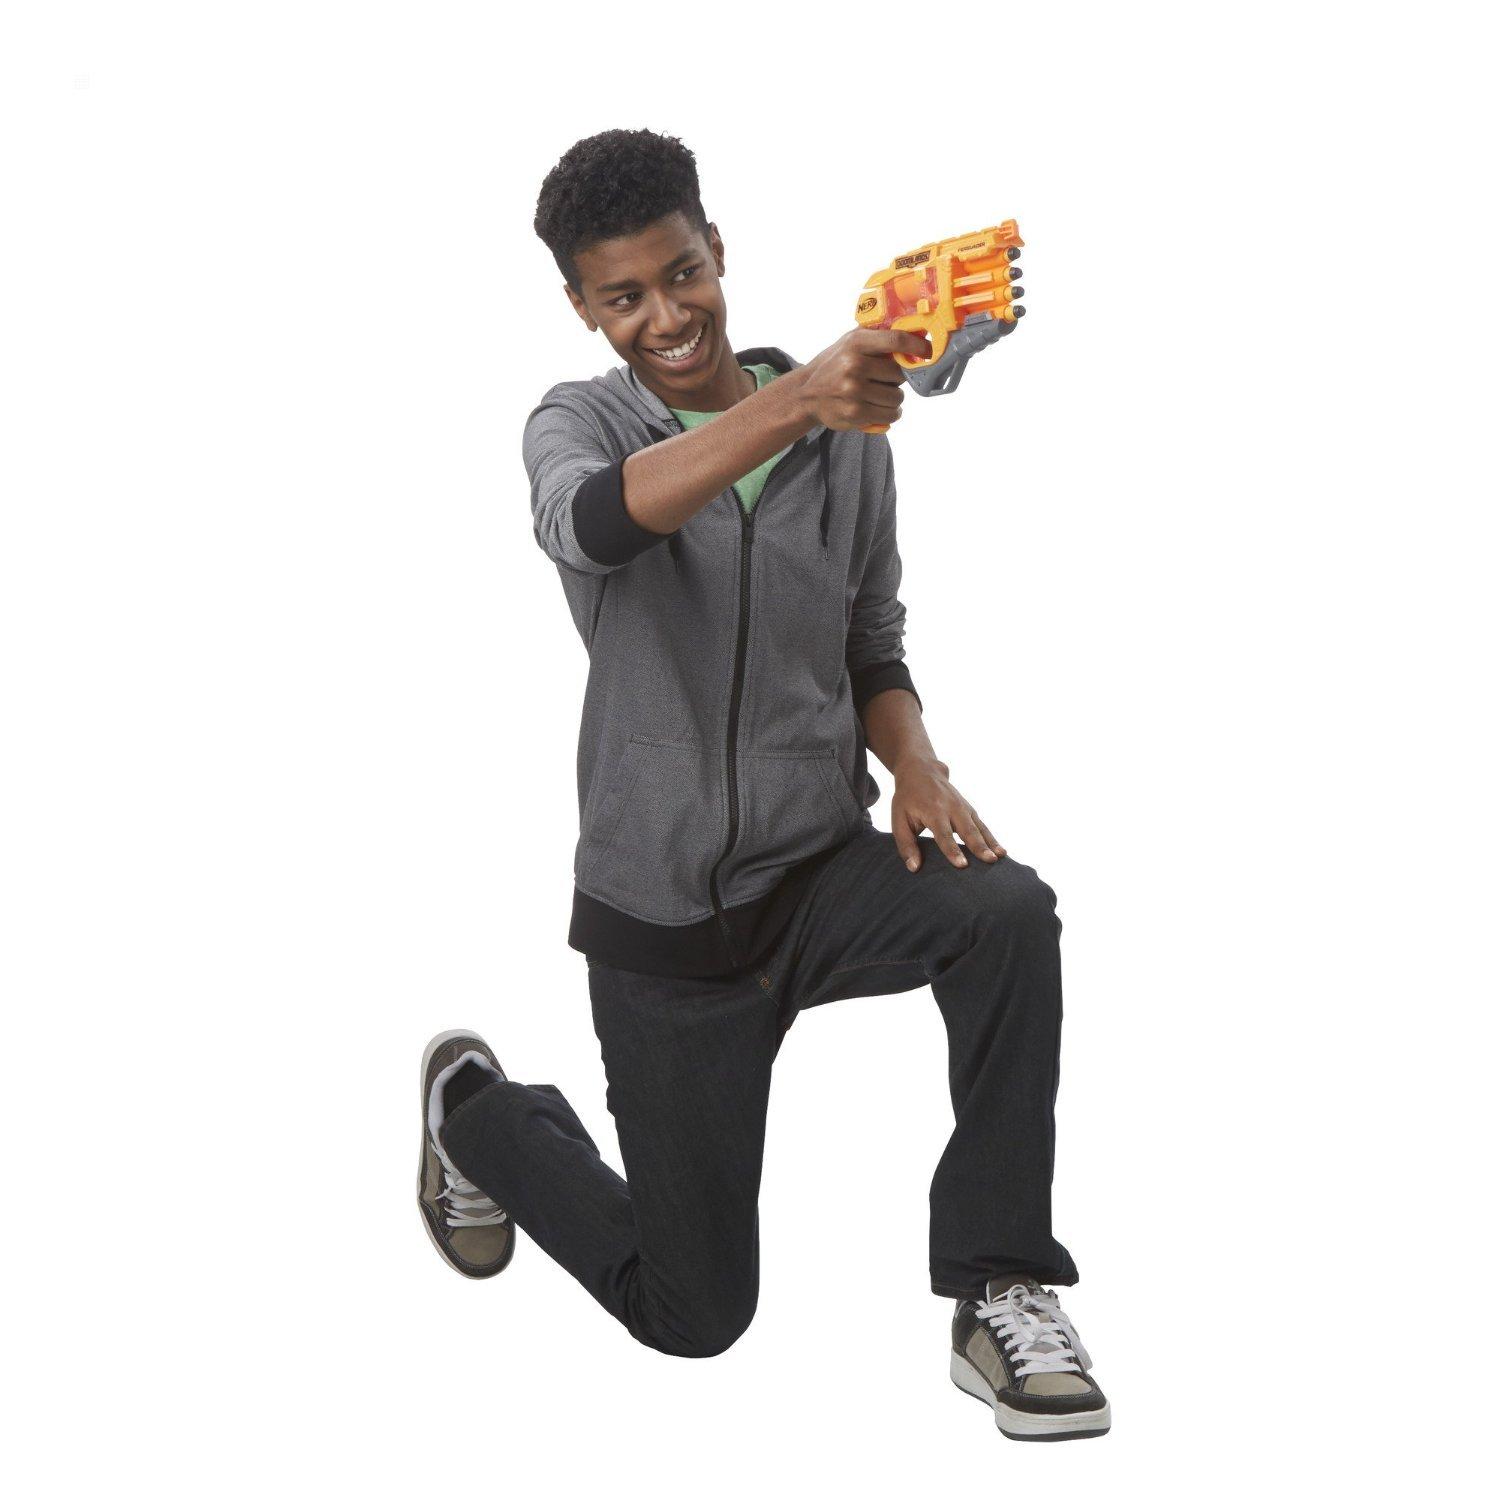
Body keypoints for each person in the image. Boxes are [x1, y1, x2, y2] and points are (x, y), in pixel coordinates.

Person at [415, 128, 1110, 1441]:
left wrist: (916, 764)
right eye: (625, 296)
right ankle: (481, 1118)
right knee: (693, 1313)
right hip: (665, 928)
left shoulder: (850, 435)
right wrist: (796, 405)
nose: (666, 316)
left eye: (683, 274)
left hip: (818, 877)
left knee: (1007, 912)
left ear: (718, 251)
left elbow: (870, 639)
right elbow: (595, 524)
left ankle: (1000, 1283)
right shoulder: (581, 424)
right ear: (582, 306)